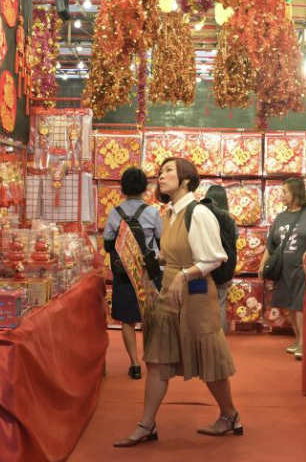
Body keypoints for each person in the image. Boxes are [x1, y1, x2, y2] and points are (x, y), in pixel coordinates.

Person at [113, 158, 242, 447]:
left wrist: (183, 274)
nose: (161, 176)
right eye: (160, 171)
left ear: (186, 179)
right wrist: (159, 260)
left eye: (169, 170)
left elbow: (213, 257)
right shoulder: (169, 212)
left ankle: (230, 414)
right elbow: (174, 251)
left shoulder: (198, 213)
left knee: (209, 361)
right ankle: (146, 424)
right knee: (157, 360)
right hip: (169, 292)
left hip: (195, 293)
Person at [103, 168, 163, 380]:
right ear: (145, 188)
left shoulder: (115, 212)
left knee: (127, 320)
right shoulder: (152, 212)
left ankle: (134, 363)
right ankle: (150, 358)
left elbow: (108, 244)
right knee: (149, 316)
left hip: (124, 273)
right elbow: (161, 242)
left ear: (123, 187)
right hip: (148, 270)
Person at [259, 178, 306, 361]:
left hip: (302, 269)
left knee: (300, 306)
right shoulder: (281, 217)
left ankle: (305, 344)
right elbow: (271, 244)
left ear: (296, 192)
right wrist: (262, 263)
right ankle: (298, 339)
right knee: (290, 305)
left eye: (285, 192)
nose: (281, 195)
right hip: (283, 269)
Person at [203, 184, 237, 332]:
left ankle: (205, 335)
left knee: (202, 302)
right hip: (223, 267)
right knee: (220, 303)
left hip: (204, 264)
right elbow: (234, 240)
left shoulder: (202, 215)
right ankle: (220, 336)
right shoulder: (229, 219)